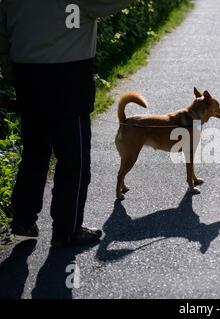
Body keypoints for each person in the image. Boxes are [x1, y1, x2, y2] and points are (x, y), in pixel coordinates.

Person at [0, 0, 135, 248]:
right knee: (74, 161)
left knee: (34, 154)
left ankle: (23, 221)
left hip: (28, 79)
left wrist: (13, 73)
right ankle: (67, 230)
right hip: (69, 82)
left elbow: (3, 37)